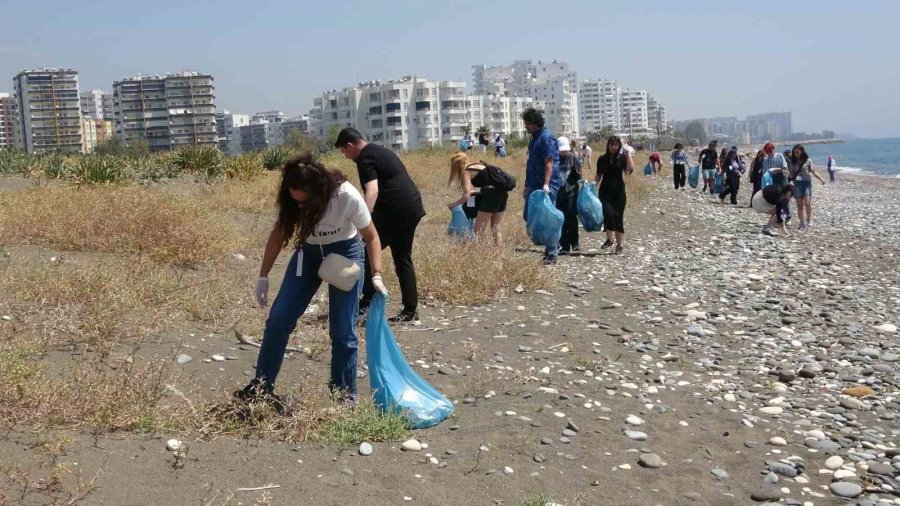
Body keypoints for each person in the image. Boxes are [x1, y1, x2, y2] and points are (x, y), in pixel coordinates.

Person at [238, 154, 387, 408]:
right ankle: (261, 388)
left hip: (345, 254)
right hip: (308, 255)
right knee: (278, 320)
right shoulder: (291, 201)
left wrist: (376, 274)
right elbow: (277, 236)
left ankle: (344, 397)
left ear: (319, 192)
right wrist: (263, 276)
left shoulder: (346, 196)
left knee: (342, 331)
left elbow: (371, 238)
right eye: (296, 201)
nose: (300, 207)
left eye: (304, 202)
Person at [335, 128, 425, 323]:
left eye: (344, 151)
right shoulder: (378, 150)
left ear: (350, 146)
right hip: (411, 207)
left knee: (368, 250)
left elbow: (372, 191)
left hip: (396, 210)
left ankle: (366, 304)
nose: (345, 156)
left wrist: (362, 220)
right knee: (402, 258)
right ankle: (410, 309)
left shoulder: (365, 158)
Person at [521, 107, 562, 266]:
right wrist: (527, 186)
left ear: (536, 123)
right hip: (533, 183)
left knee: (548, 217)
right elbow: (531, 163)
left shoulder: (547, 138)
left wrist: (546, 184)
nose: (526, 127)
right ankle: (554, 243)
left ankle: (551, 252)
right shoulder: (534, 138)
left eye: (528, 124)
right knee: (529, 216)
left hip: (547, 184)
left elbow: (549, 162)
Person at [448, 151, 508, 245]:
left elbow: (467, 194)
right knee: (495, 228)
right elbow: (474, 191)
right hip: (502, 194)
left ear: (456, 165)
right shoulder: (477, 165)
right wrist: (470, 207)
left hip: (490, 198)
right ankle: (499, 253)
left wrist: (454, 205)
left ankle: (482, 253)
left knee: (479, 230)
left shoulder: (466, 171)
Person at [595, 136, 634, 254]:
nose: (614, 147)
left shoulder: (622, 158)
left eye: (616, 144)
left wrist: (628, 154)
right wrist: (592, 186)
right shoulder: (602, 159)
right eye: (612, 144)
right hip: (605, 192)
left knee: (618, 218)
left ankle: (619, 245)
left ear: (619, 146)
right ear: (608, 145)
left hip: (619, 193)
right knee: (608, 214)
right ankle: (609, 239)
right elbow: (598, 175)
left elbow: (630, 169)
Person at [788, 144, 826, 229]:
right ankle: (802, 223)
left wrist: (821, 179)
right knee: (799, 205)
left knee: (807, 203)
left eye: (797, 152)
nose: (796, 154)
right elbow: (791, 175)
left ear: (801, 151)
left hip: (807, 184)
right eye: (794, 153)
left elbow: (813, 171)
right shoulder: (792, 162)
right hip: (797, 184)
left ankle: (809, 219)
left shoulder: (808, 161)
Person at [556, 136, 583, 254]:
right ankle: (564, 246)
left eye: (565, 150)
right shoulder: (554, 159)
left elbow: (579, 174)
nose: (563, 152)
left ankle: (575, 243)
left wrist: (579, 175)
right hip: (558, 193)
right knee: (560, 219)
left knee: (571, 217)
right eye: (561, 150)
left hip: (571, 191)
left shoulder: (573, 157)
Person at [762, 143, 790, 229]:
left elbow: (785, 168)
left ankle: (786, 217)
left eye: (770, 151)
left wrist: (776, 169)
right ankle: (781, 218)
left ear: (773, 149)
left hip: (781, 177)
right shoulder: (766, 160)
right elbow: (765, 171)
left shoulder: (779, 156)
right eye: (767, 152)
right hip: (772, 179)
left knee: (785, 198)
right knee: (777, 199)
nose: (769, 153)